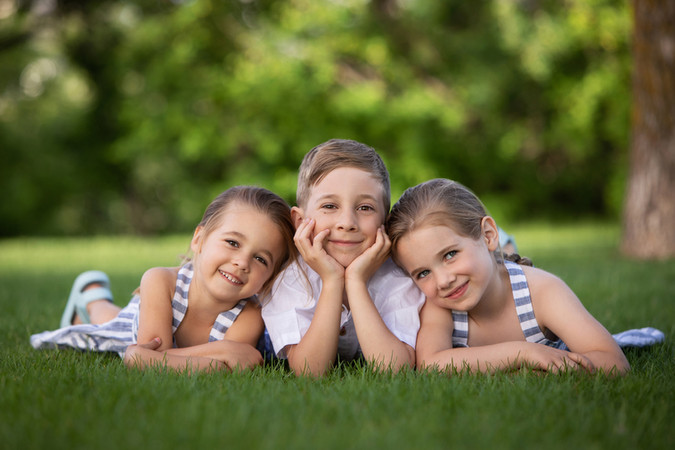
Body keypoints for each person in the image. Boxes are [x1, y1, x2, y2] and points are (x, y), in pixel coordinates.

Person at [31, 186, 296, 372]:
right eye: (232, 242)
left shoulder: (250, 316)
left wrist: (145, 358)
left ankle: (87, 302)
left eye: (261, 259)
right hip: (141, 320)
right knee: (112, 320)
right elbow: (157, 355)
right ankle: (91, 294)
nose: (242, 262)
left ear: (270, 277)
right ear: (199, 239)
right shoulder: (160, 280)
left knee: (115, 322)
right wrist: (224, 351)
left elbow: (224, 369)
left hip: (159, 338)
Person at [386, 178, 631, 375]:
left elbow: (613, 361)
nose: (443, 281)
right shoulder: (440, 305)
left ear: (489, 235)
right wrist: (523, 354)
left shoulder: (542, 292)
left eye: (450, 254)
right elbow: (431, 364)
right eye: (423, 273)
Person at [260, 139, 427, 376]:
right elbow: (310, 371)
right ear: (300, 221)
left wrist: (356, 282)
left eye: (365, 208)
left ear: (385, 222)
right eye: (329, 206)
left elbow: (394, 369)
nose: (347, 223)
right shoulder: (290, 279)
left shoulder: (399, 278)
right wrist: (332, 280)